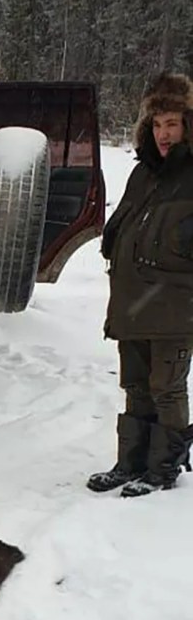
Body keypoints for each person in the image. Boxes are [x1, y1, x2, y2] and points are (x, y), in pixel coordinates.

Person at [87, 72, 193, 498]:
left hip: (175, 307)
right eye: (156, 124)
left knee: (166, 388)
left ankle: (163, 468)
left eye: (172, 123)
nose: (164, 134)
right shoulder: (143, 174)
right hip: (132, 303)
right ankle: (131, 461)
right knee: (135, 385)